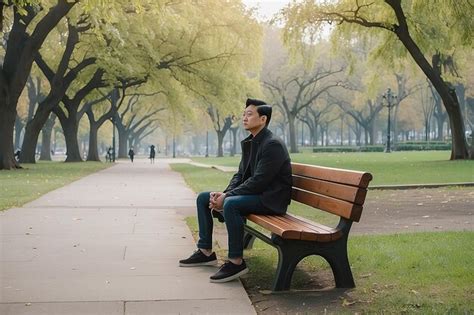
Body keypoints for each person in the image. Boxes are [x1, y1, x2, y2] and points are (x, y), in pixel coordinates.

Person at [179, 98, 292, 283]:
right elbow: (240, 175)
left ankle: (236, 262)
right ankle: (205, 251)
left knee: (231, 204)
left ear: (263, 119)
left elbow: (259, 181)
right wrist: (223, 193)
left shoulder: (272, 144)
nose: (244, 118)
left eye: (249, 114)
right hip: (257, 195)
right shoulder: (251, 142)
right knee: (203, 198)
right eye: (244, 114)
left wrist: (228, 197)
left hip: (271, 200)